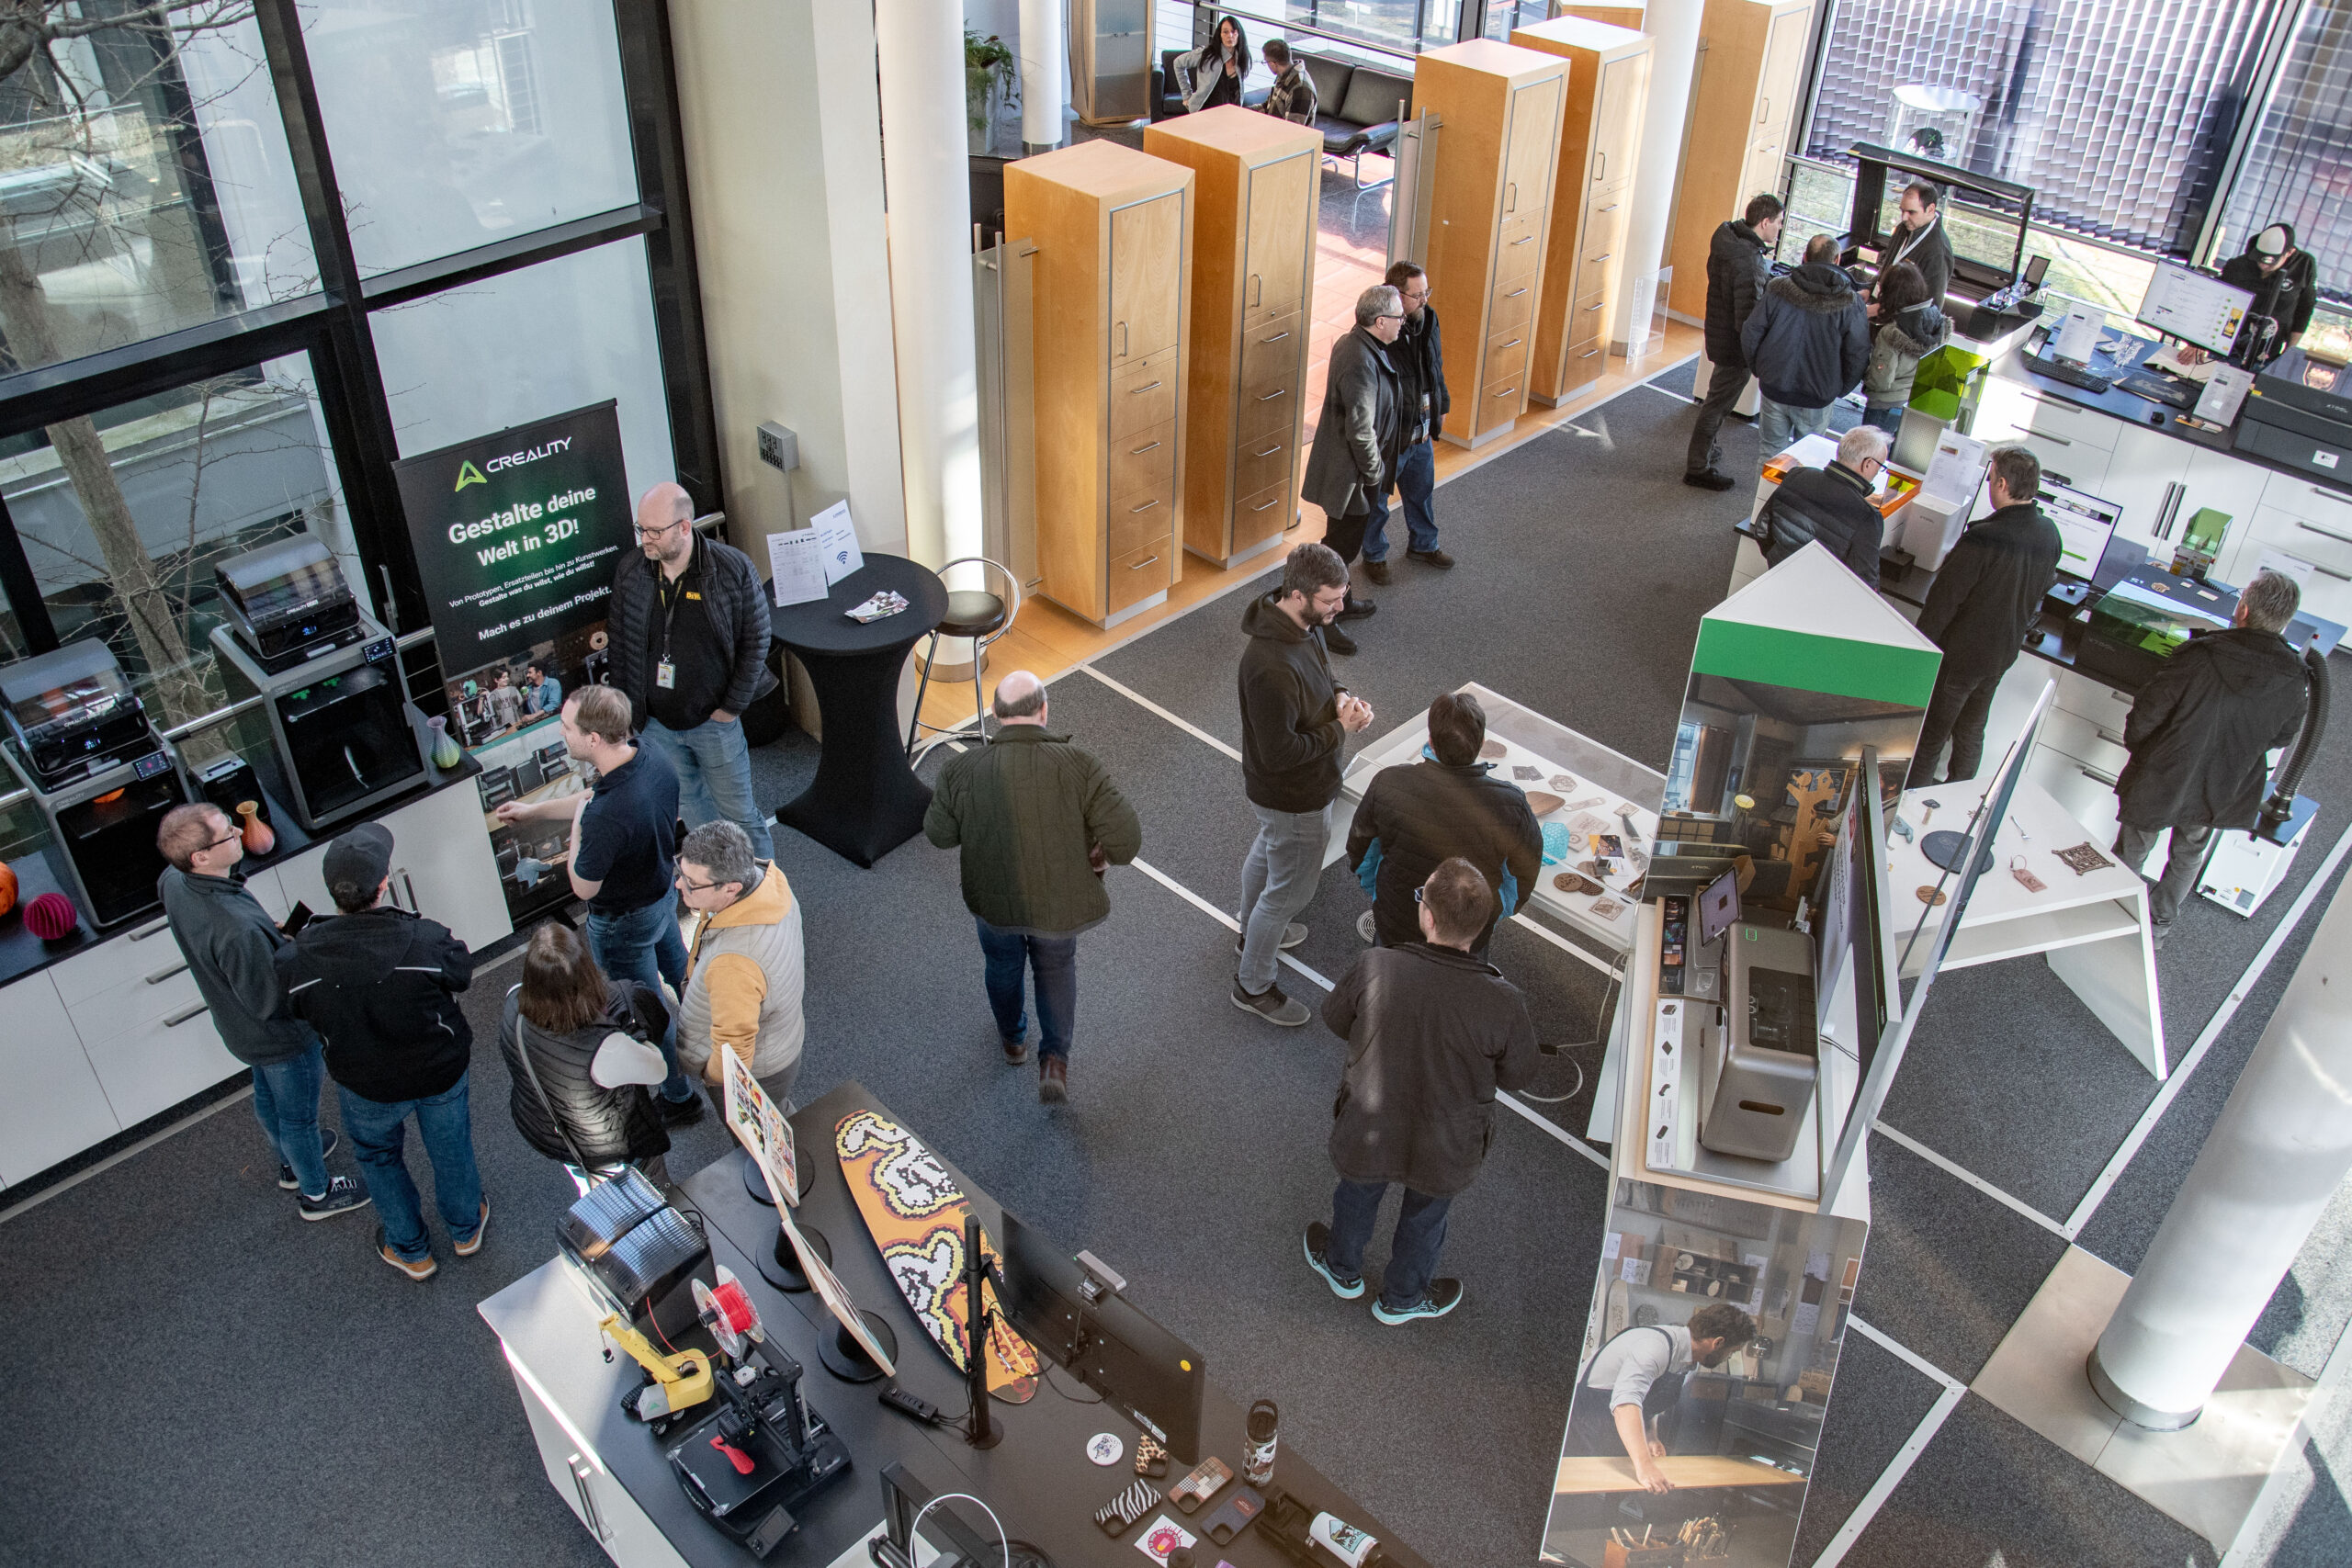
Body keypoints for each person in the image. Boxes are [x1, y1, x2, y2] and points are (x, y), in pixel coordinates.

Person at [1302, 858, 1539, 1325]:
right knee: (1426, 1218)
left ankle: (1341, 1267)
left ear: (1427, 916)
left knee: (1356, 1195)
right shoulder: (1504, 1000)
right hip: (1448, 1140)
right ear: (1483, 925)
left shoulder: (1376, 964)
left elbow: (1334, 1019)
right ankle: (1403, 1298)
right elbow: (1519, 1075)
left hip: (1370, 1123)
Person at [276, 823, 483, 1281]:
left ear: (333, 891)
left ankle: (412, 1251)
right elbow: (461, 973)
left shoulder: (295, 960)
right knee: (450, 1149)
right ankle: (466, 1231)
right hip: (438, 1072)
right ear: (385, 884)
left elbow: (290, 1006)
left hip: (364, 1083)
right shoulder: (425, 940)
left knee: (378, 1158)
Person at [923, 671, 1142, 1102]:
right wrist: (1100, 853)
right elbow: (1127, 841)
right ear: (1044, 710)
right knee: (1056, 969)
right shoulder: (1081, 764)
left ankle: (1013, 1043)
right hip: (1059, 905)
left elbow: (940, 835)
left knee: (1002, 967)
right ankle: (1055, 1061)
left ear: (995, 715)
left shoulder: (960, 769)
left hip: (993, 901)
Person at [494, 684, 704, 1125]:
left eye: (567, 728)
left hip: (624, 922)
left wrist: (577, 836)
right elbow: (593, 798)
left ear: (592, 738)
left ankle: (679, 1096)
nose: (561, 734)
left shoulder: (606, 816)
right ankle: (707, 1042)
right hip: (662, 892)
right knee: (682, 974)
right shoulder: (648, 754)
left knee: (647, 1011)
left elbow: (584, 887)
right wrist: (533, 812)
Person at [156, 803, 368, 1221]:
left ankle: (291, 1162)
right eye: (226, 833)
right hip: (281, 1039)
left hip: (238, 1027)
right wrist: (298, 957)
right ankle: (317, 1192)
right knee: (299, 1117)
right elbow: (273, 1001)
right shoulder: (235, 930)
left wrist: (272, 941)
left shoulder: (174, 881)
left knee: (267, 1097)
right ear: (200, 857)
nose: (239, 832)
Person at [2114, 570, 2312, 941]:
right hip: (2223, 781)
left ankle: (2108, 913)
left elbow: (2150, 711)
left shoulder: (2200, 654)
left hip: (2165, 770)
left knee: (2135, 845)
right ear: (2285, 622)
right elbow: (2283, 735)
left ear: (2243, 609)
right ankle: (2158, 925)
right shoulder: (2297, 676)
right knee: (2190, 850)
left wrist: (2140, 748)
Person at [1235, 542, 1375, 1025]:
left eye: (1343, 596)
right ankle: (1253, 986)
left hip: (1283, 801)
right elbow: (1280, 755)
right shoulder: (1269, 666)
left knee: (1267, 854)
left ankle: (1248, 932)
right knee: (1287, 896)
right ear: (1298, 594)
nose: (1340, 608)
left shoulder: (1302, 625)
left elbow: (1324, 674)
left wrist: (1340, 698)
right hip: (1292, 795)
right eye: (1331, 601)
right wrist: (1342, 730)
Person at [608, 479, 778, 862]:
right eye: (641, 530)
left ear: (684, 527)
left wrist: (731, 707)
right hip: (657, 726)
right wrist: (630, 716)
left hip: (714, 723)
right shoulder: (632, 572)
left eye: (654, 531)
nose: (645, 540)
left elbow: (757, 639)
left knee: (740, 815)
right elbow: (619, 645)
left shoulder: (730, 568)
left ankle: (768, 892)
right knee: (696, 812)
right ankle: (719, 883)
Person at [1906, 446, 2064, 787]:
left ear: (2003, 484)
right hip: (2002, 653)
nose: (1990, 484)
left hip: (1963, 655)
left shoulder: (1984, 538)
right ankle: (1959, 799)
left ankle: (1911, 802)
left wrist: (1918, 650)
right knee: (1971, 729)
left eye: (1991, 477)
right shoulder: (2049, 533)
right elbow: (2040, 589)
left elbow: (1943, 602)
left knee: (1931, 736)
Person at [1345, 691, 1540, 954]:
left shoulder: (1388, 782)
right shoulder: (1512, 804)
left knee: (1386, 983)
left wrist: (1382, 894)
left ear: (1430, 741)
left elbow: (1361, 854)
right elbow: (1521, 880)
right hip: (1468, 934)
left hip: (1396, 923)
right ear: (1482, 742)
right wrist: (1488, 912)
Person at [497, 921, 675, 1192]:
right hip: (609, 1147)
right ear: (586, 972)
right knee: (648, 1202)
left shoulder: (513, 1005)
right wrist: (635, 1037)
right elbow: (658, 1070)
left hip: (554, 1132)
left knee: (594, 1197)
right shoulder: (605, 1047)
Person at [1298, 285, 1406, 655]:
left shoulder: (1361, 345)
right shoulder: (1360, 358)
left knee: (1341, 546)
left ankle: (1339, 603)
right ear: (1380, 321)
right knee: (1339, 550)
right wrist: (1374, 473)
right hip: (1353, 478)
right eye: (1398, 318)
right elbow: (1360, 428)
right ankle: (1320, 620)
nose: (1402, 323)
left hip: (1354, 474)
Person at [673, 821, 808, 1113]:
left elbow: (732, 1051)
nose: (679, 884)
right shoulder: (767, 882)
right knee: (780, 1115)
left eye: (691, 882)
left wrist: (713, 1080)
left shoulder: (733, 965)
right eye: (680, 871)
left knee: (760, 1146)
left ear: (731, 888)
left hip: (759, 1071)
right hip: (783, 1041)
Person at [1561, 1303, 1759, 1491]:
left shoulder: (1689, 1360)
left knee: (1619, 1496)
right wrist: (1645, 1465)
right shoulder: (1655, 1347)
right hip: (1583, 1421)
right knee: (1586, 1499)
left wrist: (1650, 1435)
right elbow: (1626, 1404)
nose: (1730, 1357)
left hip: (1612, 1426)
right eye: (1732, 1352)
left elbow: (1649, 1399)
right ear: (1718, 1343)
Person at [1741, 232, 1870, 461]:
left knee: (1770, 455)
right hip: (1818, 395)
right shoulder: (1851, 302)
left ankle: (1767, 499)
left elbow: (1751, 331)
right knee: (1809, 460)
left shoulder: (1778, 288)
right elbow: (1857, 354)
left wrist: (1760, 368)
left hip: (1775, 386)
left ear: (1804, 257)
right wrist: (1838, 389)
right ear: (1838, 260)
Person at [1685, 193, 1784, 491]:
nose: (1780, 229)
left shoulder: (1727, 239)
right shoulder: (1748, 262)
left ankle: (1707, 451)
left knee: (1716, 401)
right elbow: (1749, 320)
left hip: (1719, 331)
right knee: (1717, 405)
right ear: (1764, 222)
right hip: (1733, 345)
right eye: (1778, 223)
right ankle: (1697, 468)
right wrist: (1758, 355)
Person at [1363, 262, 1453, 583]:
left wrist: (1441, 405)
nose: (1424, 300)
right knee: (1378, 502)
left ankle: (1424, 545)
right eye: (1416, 295)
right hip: (1392, 434)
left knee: (1421, 491)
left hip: (1423, 427)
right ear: (1394, 294)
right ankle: (1374, 555)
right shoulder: (1381, 328)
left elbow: (1436, 366)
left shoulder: (1428, 318)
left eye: (1426, 292)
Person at [1756, 424, 1889, 587]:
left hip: (1777, 577)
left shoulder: (1798, 474)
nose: (1878, 472)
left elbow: (1762, 529)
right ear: (1867, 464)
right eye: (1881, 467)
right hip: (1819, 596)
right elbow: (1864, 582)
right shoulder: (1867, 516)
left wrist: (1777, 561)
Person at [1860, 258, 1945, 435]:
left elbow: (1881, 381)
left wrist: (1864, 374)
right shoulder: (1936, 321)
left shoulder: (1891, 333)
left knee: (1868, 455)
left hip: (1884, 405)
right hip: (1914, 403)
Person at [2221, 224, 2318, 365]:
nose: (2264, 265)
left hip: (2269, 351)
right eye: (2260, 260)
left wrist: (2290, 350)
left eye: (2270, 262)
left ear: (2289, 252)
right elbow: (2221, 300)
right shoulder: (2239, 265)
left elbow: (2305, 308)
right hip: (2230, 345)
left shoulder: (2304, 265)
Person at [1883, 180, 1952, 311]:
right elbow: (1888, 266)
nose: (1904, 218)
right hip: (1881, 309)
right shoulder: (1902, 229)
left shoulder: (1938, 251)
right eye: (1902, 211)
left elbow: (1931, 307)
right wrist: (1870, 289)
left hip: (1899, 325)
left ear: (1930, 209)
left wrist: (1885, 310)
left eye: (1911, 212)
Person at [1173, 14, 1250, 114]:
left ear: (1239, 34)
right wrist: (1186, 95)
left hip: (1231, 116)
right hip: (1206, 113)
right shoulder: (1207, 54)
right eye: (1225, 32)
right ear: (1220, 35)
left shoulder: (1242, 58)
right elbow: (1178, 63)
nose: (1230, 36)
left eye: (1233, 32)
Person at [1258, 38, 1317, 123]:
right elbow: (1268, 107)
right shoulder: (1283, 75)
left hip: (1285, 133)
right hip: (1273, 129)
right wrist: (1244, 111)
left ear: (1272, 64)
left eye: (1265, 62)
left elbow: (1293, 129)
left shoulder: (1301, 89)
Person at [485, 667, 523, 734]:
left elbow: (520, 704)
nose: (507, 679)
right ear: (496, 680)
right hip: (502, 730)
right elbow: (487, 714)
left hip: (518, 725)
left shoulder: (514, 689)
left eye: (507, 676)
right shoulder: (492, 696)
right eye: (504, 677)